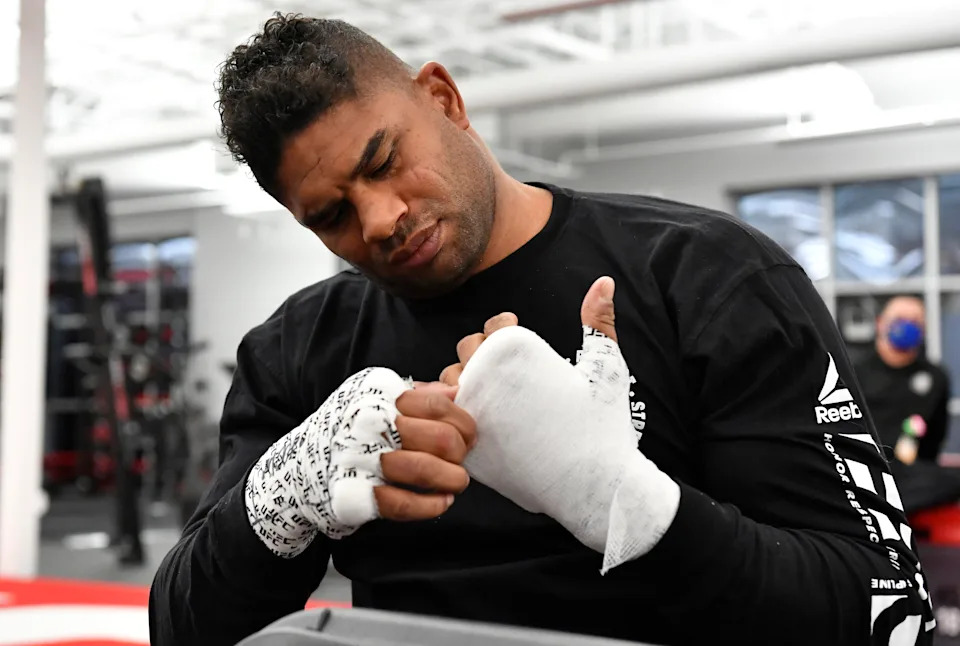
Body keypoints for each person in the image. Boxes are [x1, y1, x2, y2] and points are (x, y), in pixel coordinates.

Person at [149, 13, 935, 646]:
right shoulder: (299, 350)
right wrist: (286, 497)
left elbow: (891, 616)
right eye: (330, 215)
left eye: (387, 159)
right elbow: (180, 628)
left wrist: (622, 499)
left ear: (445, 100)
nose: (382, 219)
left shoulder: (706, 277)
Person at [854, 296, 951, 464]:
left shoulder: (936, 377)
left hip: (915, 476)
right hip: (864, 469)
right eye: (899, 319)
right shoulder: (853, 372)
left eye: (914, 321)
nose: (907, 326)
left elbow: (936, 438)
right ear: (880, 323)